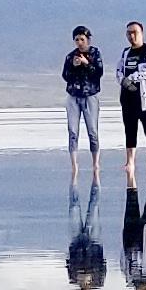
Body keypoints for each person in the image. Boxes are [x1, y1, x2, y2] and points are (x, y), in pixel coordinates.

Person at [115, 20, 146, 184]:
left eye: (134, 32)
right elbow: (119, 70)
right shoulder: (126, 52)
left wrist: (132, 78)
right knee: (130, 129)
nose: (131, 36)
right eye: (128, 33)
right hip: (128, 98)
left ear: (142, 33)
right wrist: (123, 81)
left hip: (145, 99)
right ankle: (130, 161)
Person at [59, 26, 105, 184]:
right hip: (73, 97)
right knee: (73, 131)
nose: (79, 43)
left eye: (82, 39)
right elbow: (65, 76)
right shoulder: (70, 56)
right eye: (77, 40)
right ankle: (74, 164)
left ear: (88, 40)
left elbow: (98, 73)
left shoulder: (95, 54)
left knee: (92, 131)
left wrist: (86, 63)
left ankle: (95, 163)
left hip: (90, 96)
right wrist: (74, 65)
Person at [66, 187, 108, 290]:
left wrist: (80, 269)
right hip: (94, 242)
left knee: (74, 207)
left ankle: (74, 176)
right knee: (94, 206)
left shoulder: (73, 279)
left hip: (76, 241)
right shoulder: (98, 281)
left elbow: (69, 262)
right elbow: (102, 263)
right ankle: (96, 174)